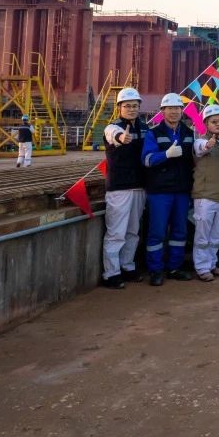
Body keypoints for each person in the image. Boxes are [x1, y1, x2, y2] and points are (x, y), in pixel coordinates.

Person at [141, 93, 201, 286]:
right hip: (160, 191)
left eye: (177, 108)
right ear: (162, 111)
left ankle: (175, 267)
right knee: (157, 232)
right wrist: (165, 154)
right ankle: (156, 270)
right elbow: (147, 159)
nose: (174, 112)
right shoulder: (153, 133)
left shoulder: (189, 133)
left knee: (179, 232)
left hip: (182, 190)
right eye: (170, 108)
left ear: (182, 111)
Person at [100, 87, 147, 289]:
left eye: (135, 106)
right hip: (119, 188)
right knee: (116, 233)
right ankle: (111, 273)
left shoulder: (145, 128)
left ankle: (127, 266)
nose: (132, 109)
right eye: (127, 106)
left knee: (133, 232)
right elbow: (113, 134)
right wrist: (121, 137)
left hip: (139, 187)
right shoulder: (113, 128)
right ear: (119, 107)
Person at [191, 104, 219, 281]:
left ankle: (212, 264)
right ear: (206, 124)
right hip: (205, 196)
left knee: (216, 235)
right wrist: (208, 144)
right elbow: (201, 147)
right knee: (202, 236)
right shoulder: (200, 141)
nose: (218, 124)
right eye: (214, 122)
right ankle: (201, 267)